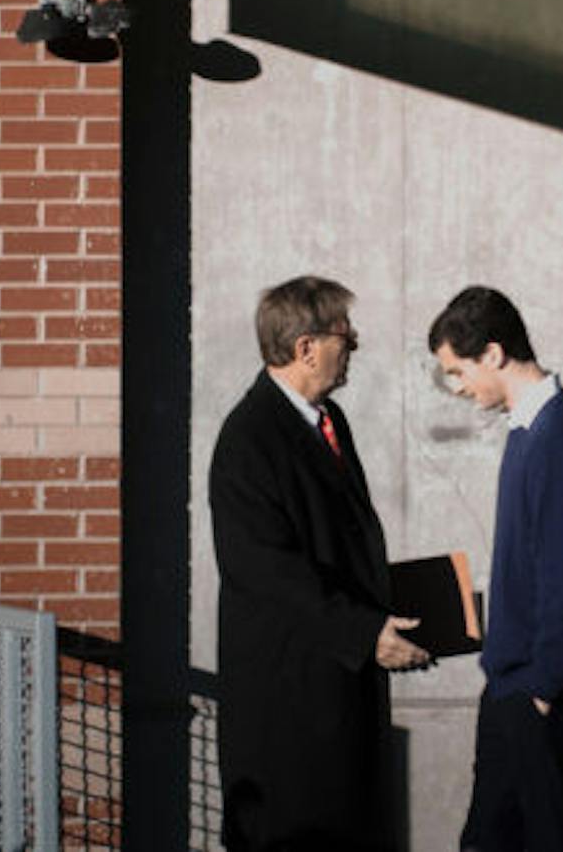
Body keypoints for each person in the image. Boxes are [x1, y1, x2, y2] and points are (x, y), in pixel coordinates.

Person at [210, 276, 431, 852]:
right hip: (292, 708)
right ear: (306, 347)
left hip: (337, 691)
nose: (353, 343)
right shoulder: (249, 438)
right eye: (344, 336)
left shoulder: (327, 421)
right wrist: (363, 631)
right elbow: (265, 569)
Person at [430, 286, 563, 852]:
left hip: (539, 694)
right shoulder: (529, 431)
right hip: (517, 688)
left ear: (492, 354)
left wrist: (544, 689)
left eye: (457, 370)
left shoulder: (558, 435)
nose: (457, 387)